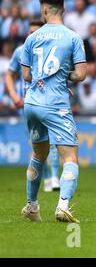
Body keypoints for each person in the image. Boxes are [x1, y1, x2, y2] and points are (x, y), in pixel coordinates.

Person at [20, 0, 87, 223]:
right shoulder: (73, 38)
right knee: (70, 157)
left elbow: (27, 75)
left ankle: (32, 205)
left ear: (45, 10)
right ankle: (63, 207)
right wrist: (63, 76)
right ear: (64, 9)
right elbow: (81, 74)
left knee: (38, 155)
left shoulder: (31, 38)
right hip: (56, 103)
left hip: (31, 103)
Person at [5, 20, 61, 192]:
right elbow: (10, 75)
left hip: (50, 102)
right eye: (31, 32)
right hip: (30, 105)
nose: (33, 35)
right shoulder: (20, 51)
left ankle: (54, 178)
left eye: (36, 32)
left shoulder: (52, 51)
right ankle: (46, 179)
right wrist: (14, 95)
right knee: (38, 145)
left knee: (53, 142)